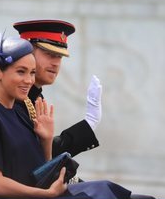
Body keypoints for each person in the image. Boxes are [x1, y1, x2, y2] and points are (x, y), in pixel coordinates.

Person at [0, 33, 132, 199]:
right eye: (21, 72)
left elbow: (41, 169)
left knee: (113, 193)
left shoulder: (18, 112)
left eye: (32, 73)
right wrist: (46, 194)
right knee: (108, 198)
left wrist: (46, 140)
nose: (29, 80)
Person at [13, 20, 102, 158]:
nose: (55, 63)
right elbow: (32, 158)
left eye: (59, 56)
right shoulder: (14, 98)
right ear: (26, 53)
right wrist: (88, 124)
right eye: (49, 54)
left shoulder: (34, 97)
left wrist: (88, 124)